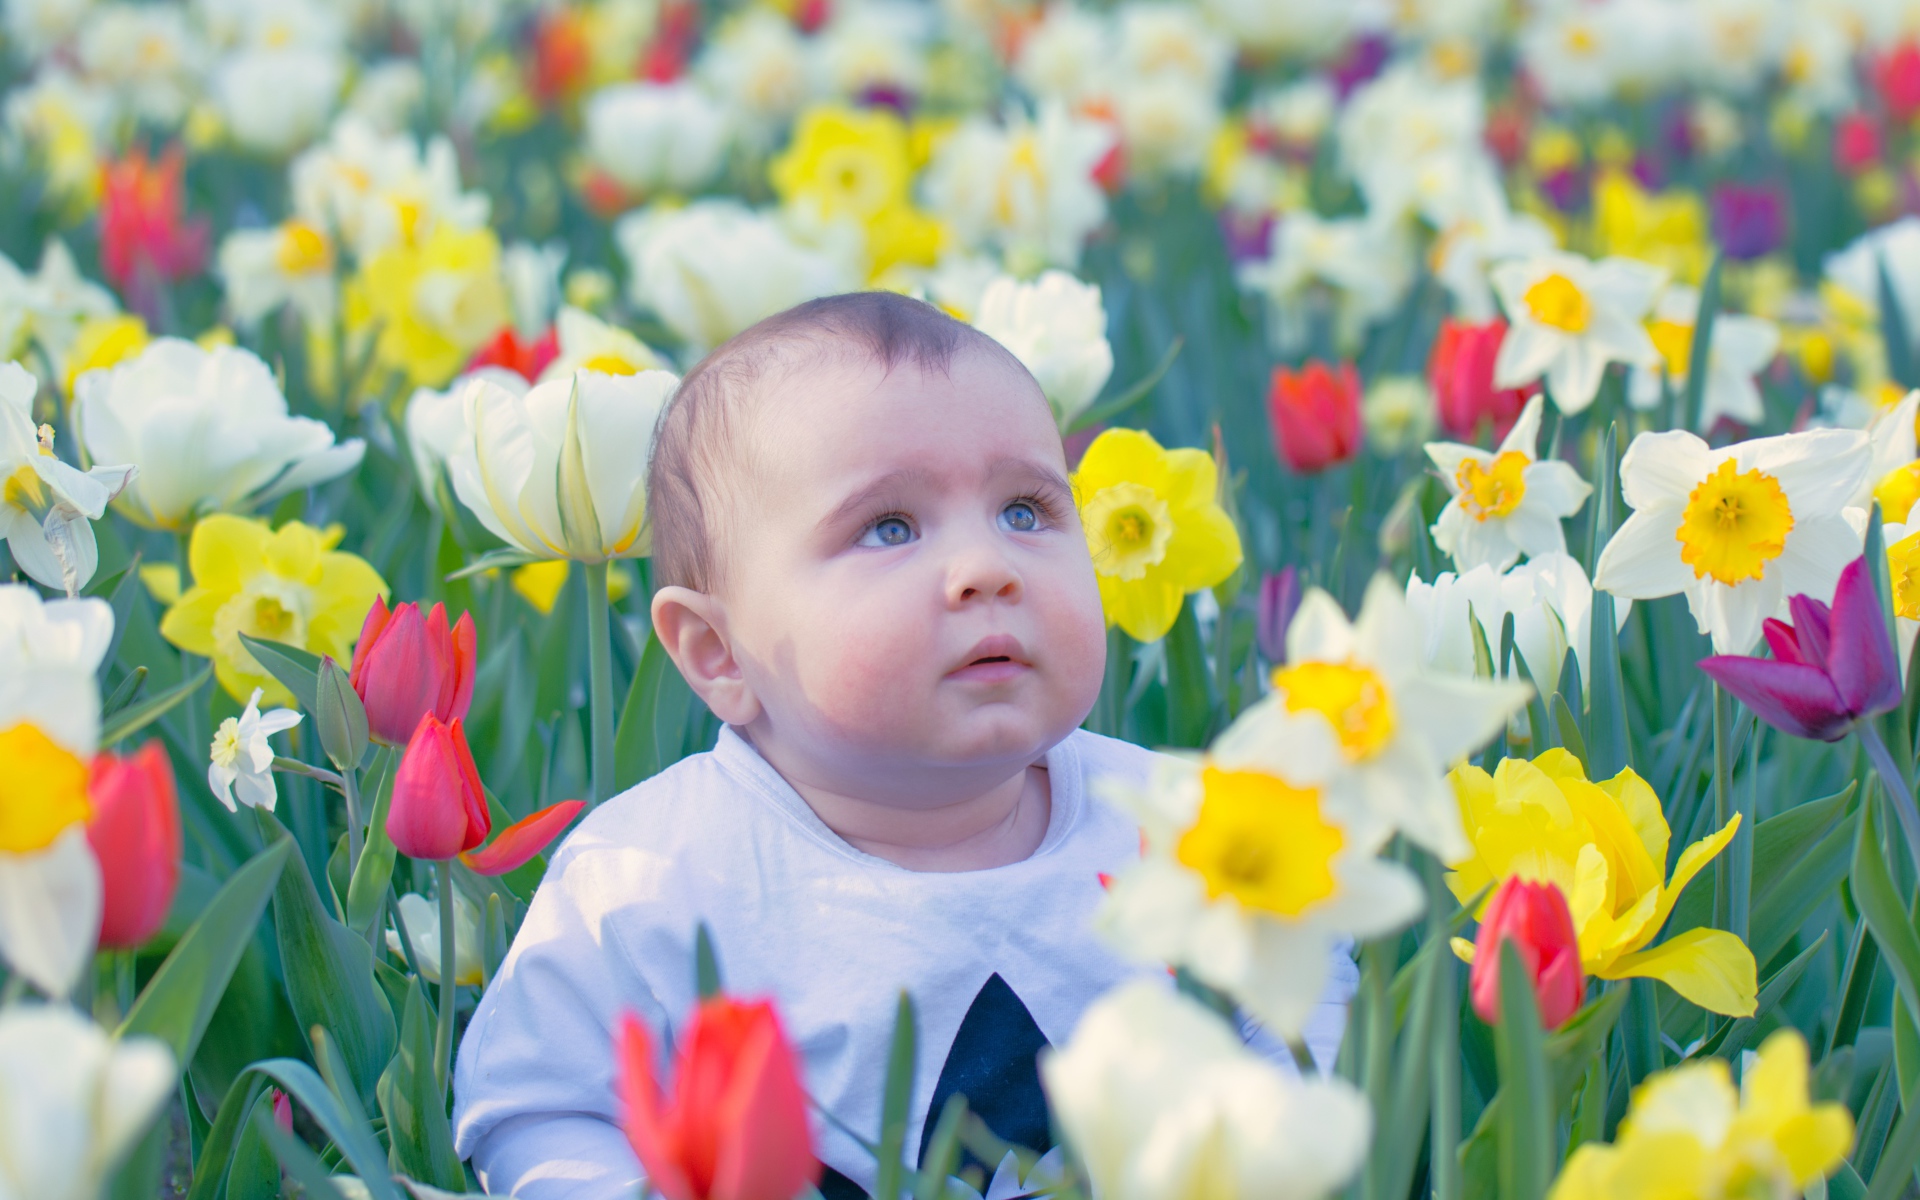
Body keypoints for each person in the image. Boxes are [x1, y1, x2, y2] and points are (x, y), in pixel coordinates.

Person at [450, 292, 1355, 1199]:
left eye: (1027, 511)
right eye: (890, 527)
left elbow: (1302, 1008)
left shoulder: (1188, 820)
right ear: (718, 654)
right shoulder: (649, 877)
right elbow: (536, 1111)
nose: (988, 568)